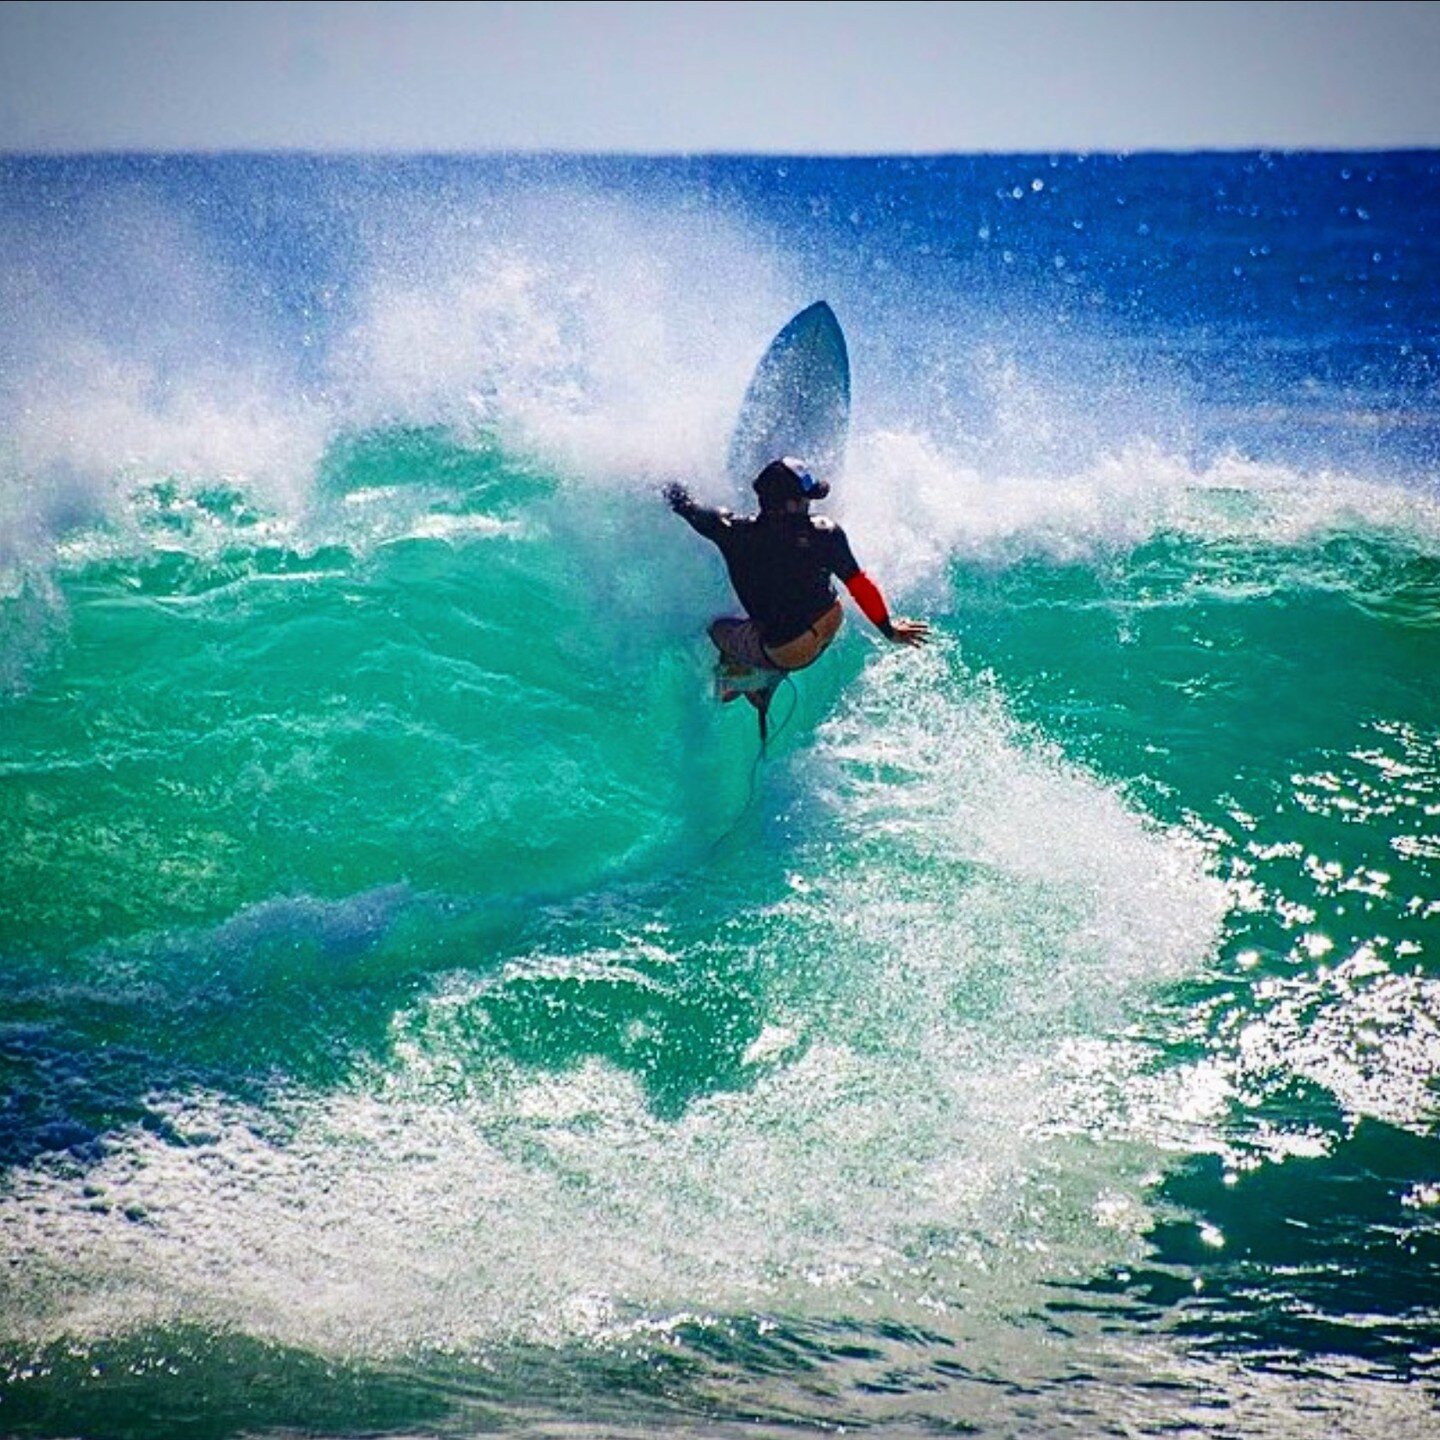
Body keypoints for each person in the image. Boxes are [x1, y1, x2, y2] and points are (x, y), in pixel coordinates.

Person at [665, 457, 929, 729]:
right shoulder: (825, 533)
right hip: (830, 620)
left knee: (718, 630)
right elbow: (858, 583)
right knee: (780, 616)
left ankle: (745, 681)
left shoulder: (733, 532)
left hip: (789, 650)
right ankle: (762, 676)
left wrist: (663, 483)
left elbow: (686, 507)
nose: (809, 505)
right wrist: (889, 630)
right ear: (790, 503)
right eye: (806, 499)